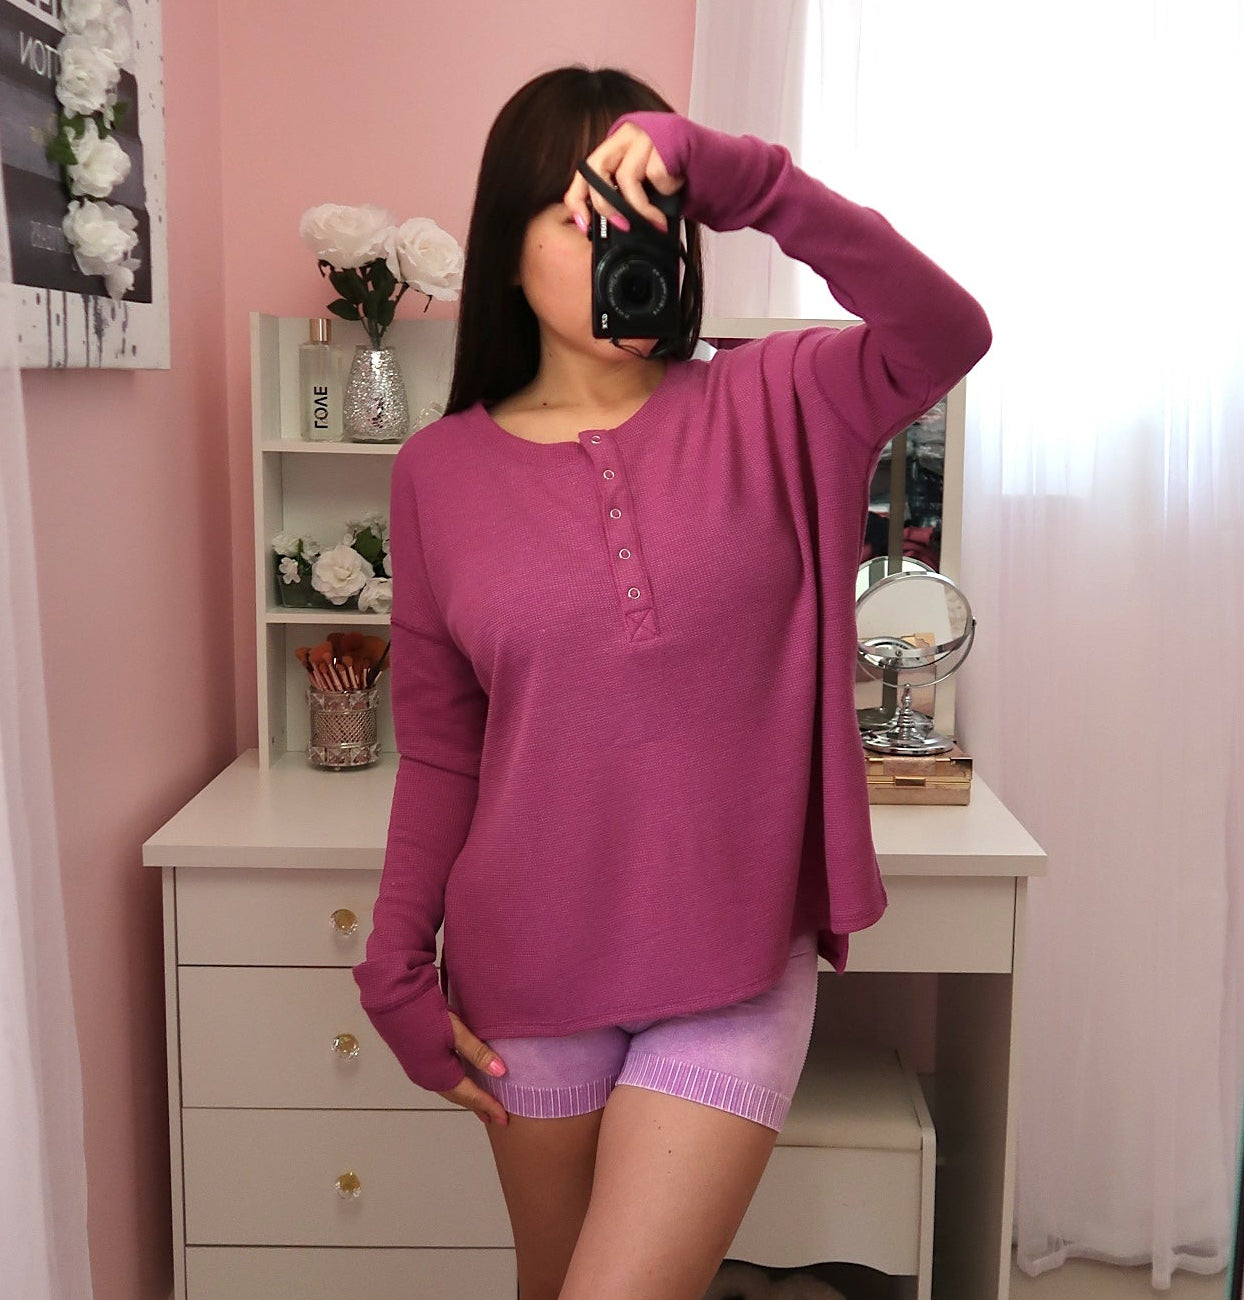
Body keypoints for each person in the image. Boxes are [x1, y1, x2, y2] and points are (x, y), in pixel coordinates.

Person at [352, 63, 992, 1300]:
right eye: (576, 218)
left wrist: (747, 179)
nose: (613, 245)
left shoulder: (779, 398)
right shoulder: (435, 473)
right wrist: (393, 961)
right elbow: (440, 747)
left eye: (640, 215)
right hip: (524, 968)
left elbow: (945, 332)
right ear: (507, 248)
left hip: (731, 964)